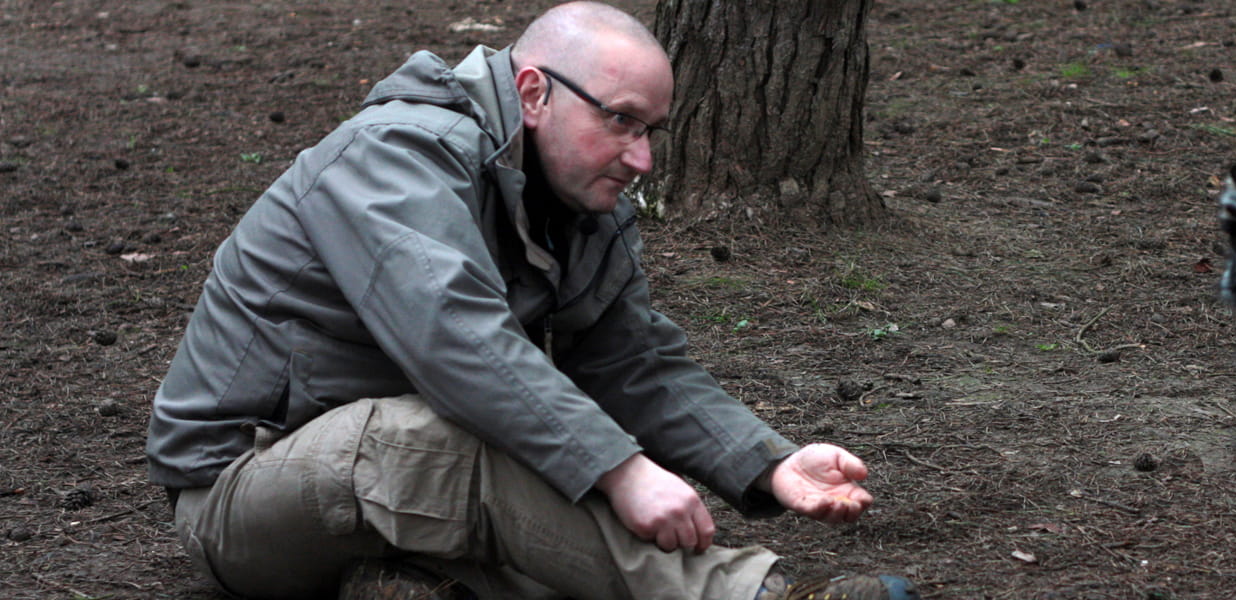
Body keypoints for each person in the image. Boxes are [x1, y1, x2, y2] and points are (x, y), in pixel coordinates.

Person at [143, 3, 919, 599]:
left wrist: (769, 462)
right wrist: (621, 470)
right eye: (620, 119)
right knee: (438, 439)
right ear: (533, 91)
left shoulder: (584, 202)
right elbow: (459, 339)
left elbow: (630, 359)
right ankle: (753, 594)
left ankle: (409, 578)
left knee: (507, 466)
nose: (642, 157)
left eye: (651, 130)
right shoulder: (393, 154)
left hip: (402, 483)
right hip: (243, 492)